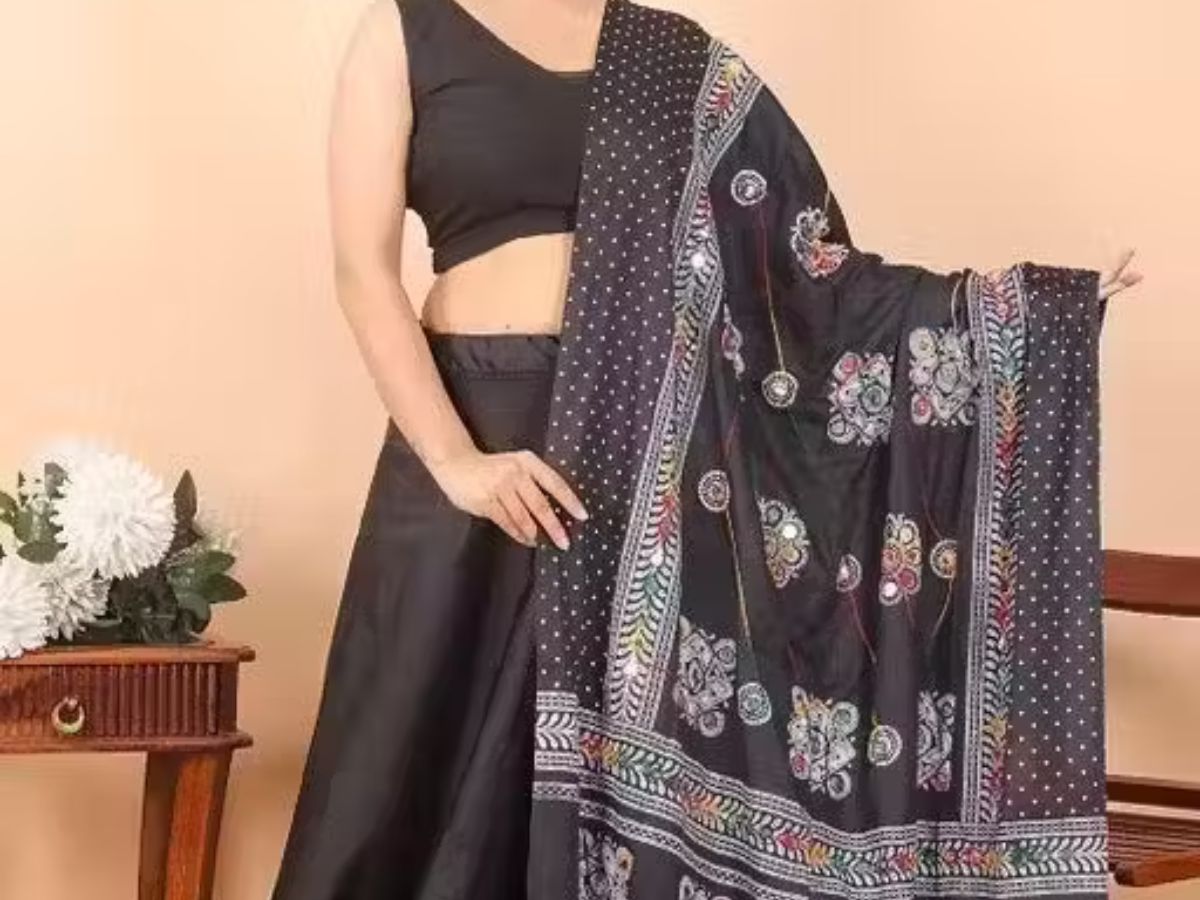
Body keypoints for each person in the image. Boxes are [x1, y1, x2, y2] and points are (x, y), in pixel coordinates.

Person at [271, 1, 1141, 898]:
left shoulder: (672, 59)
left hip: (643, 458)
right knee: (403, 776)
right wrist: (456, 462)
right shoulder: (407, 31)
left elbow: (811, 276)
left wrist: (1021, 315)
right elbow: (362, 270)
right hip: (470, 426)